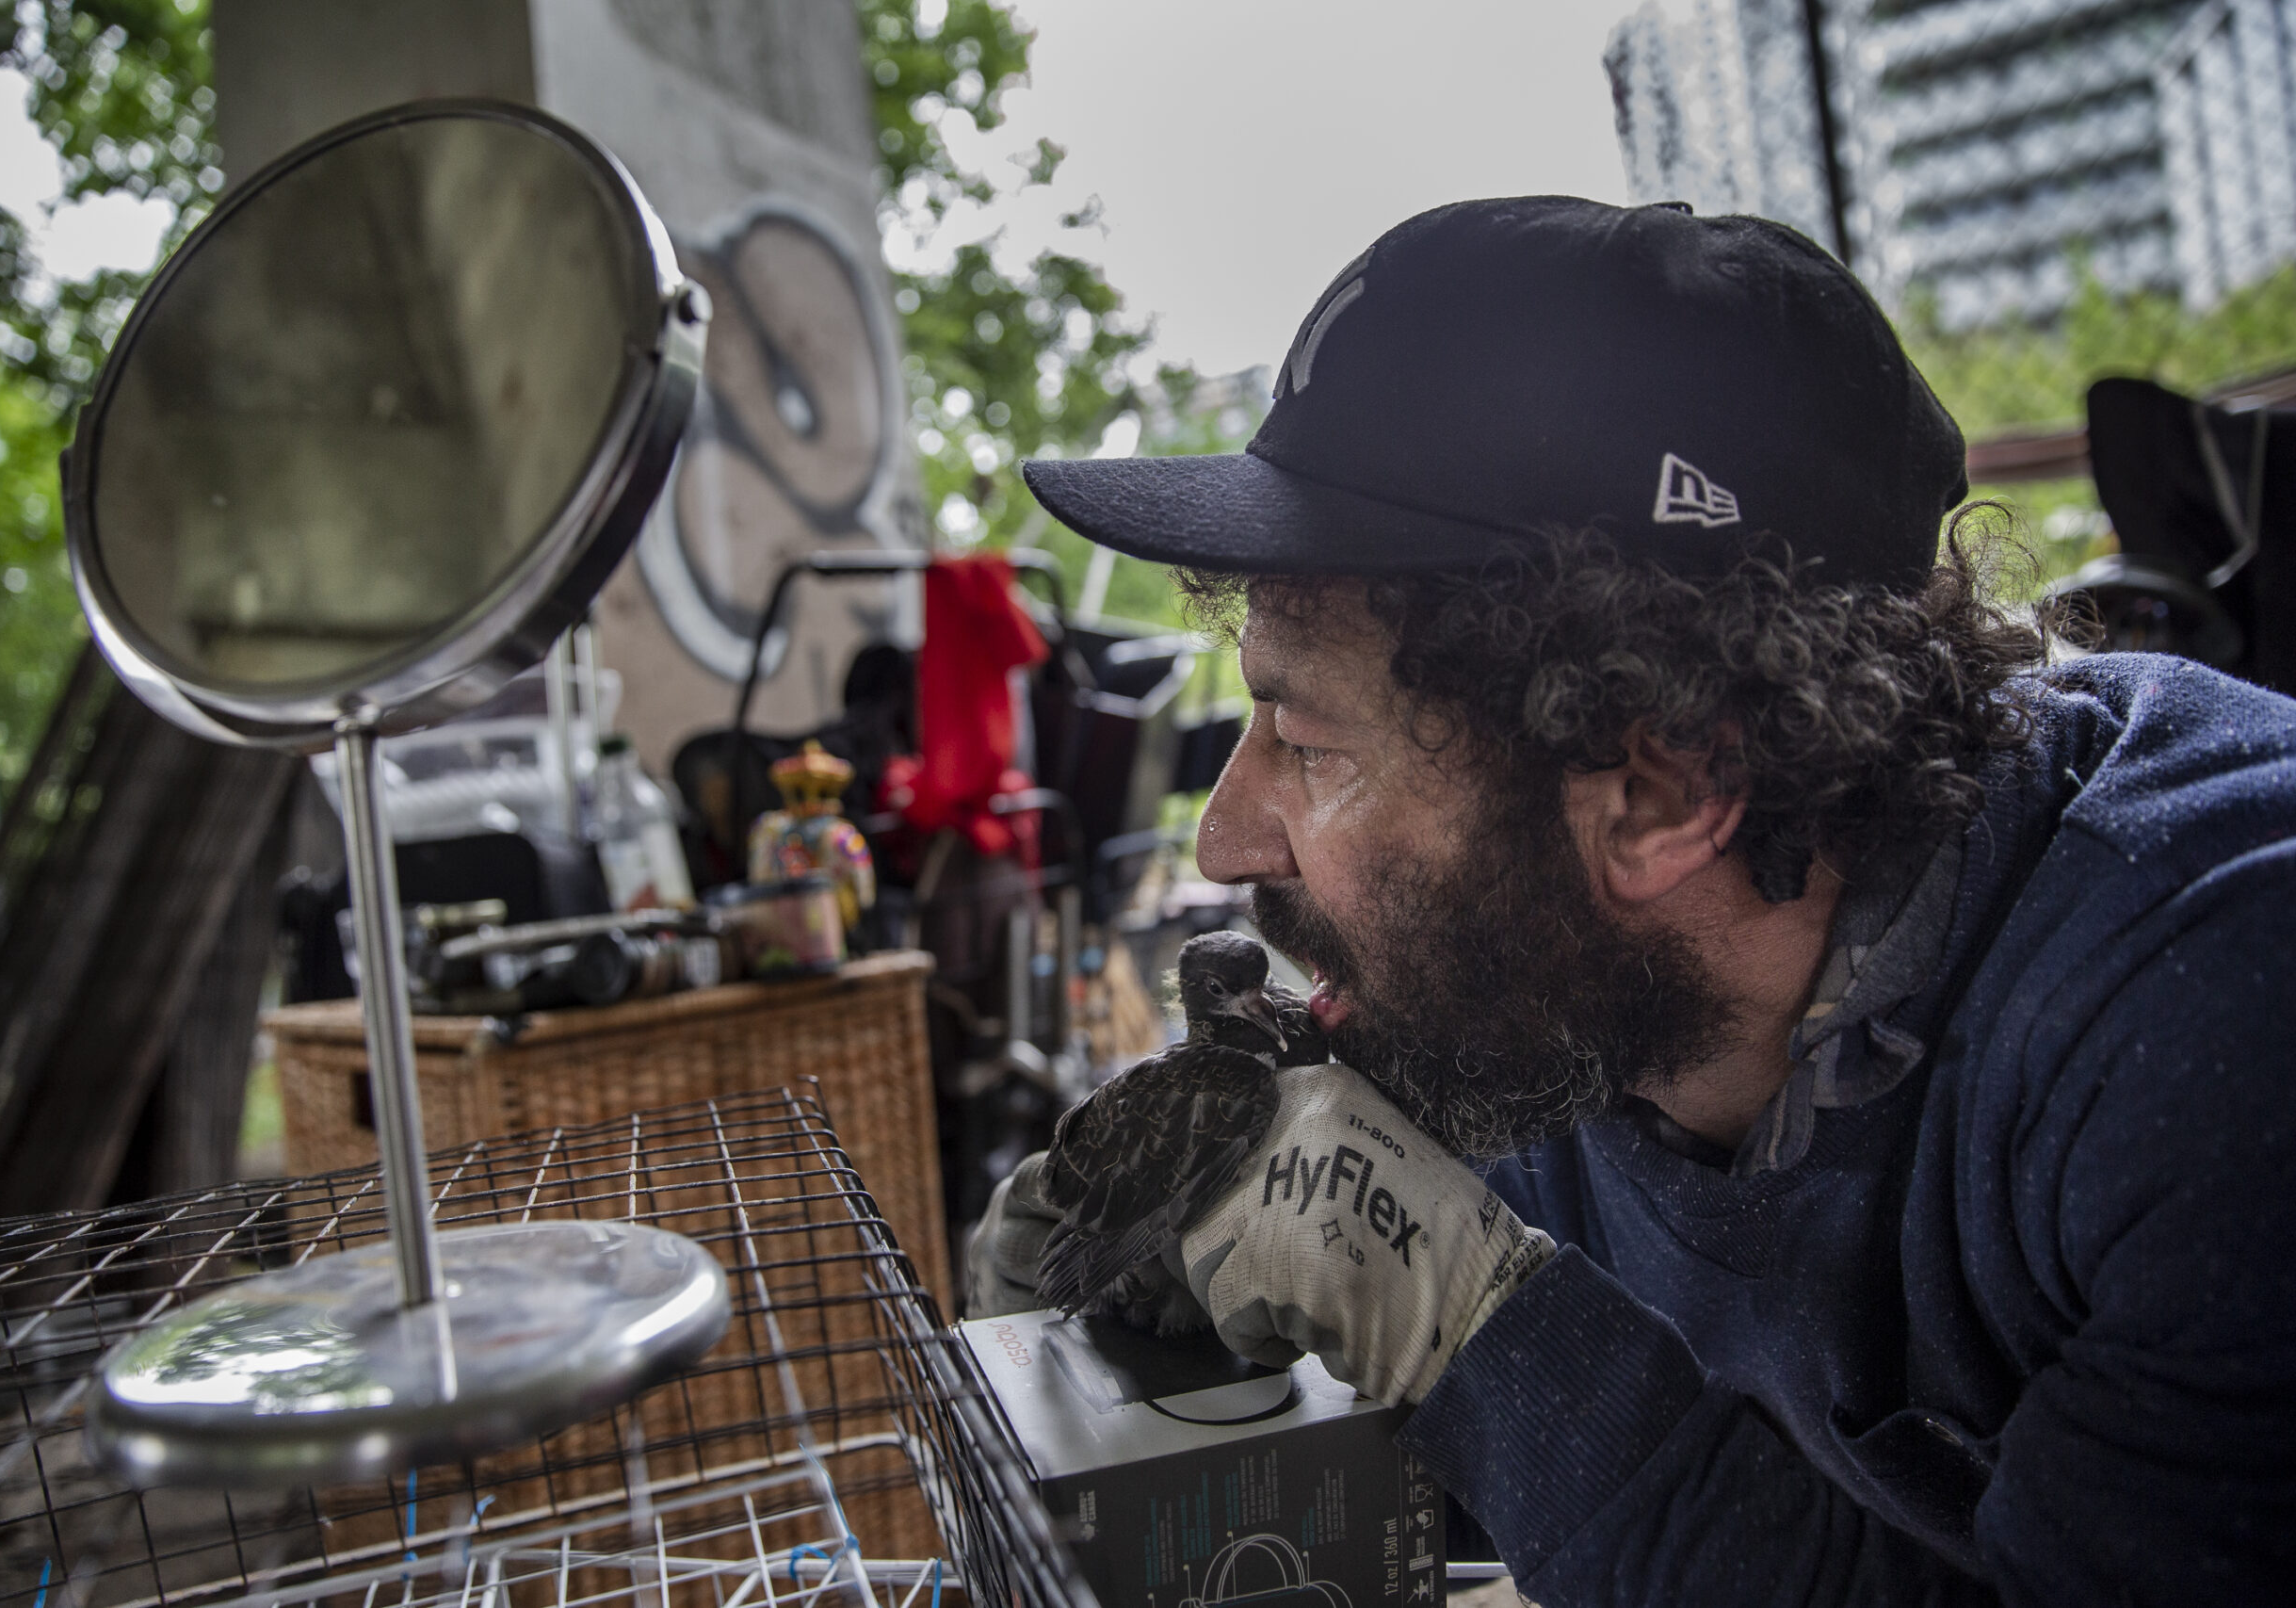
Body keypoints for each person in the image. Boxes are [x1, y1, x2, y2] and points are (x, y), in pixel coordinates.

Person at [967, 197, 2296, 1604]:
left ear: (1663, 792)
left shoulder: (2220, 1027)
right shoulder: (1572, 987)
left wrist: (1476, 1330)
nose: (1227, 844)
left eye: (1308, 744)